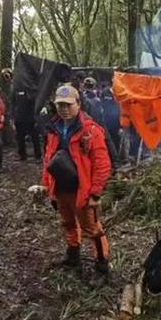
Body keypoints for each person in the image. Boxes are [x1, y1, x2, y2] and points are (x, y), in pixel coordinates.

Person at [38, 84, 112, 276]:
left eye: (68, 105)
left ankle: (102, 264)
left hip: (83, 189)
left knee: (93, 229)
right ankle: (73, 256)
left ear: (78, 103)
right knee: (68, 223)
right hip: (61, 188)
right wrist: (46, 186)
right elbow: (48, 159)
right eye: (60, 105)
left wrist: (96, 193)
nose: (64, 109)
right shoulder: (53, 128)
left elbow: (102, 164)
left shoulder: (90, 129)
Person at [11, 81, 41, 161]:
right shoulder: (15, 89)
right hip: (19, 118)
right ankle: (22, 155)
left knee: (35, 137)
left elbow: (35, 101)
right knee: (20, 138)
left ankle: (38, 155)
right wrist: (13, 117)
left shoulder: (31, 88)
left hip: (30, 118)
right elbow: (13, 103)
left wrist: (36, 117)